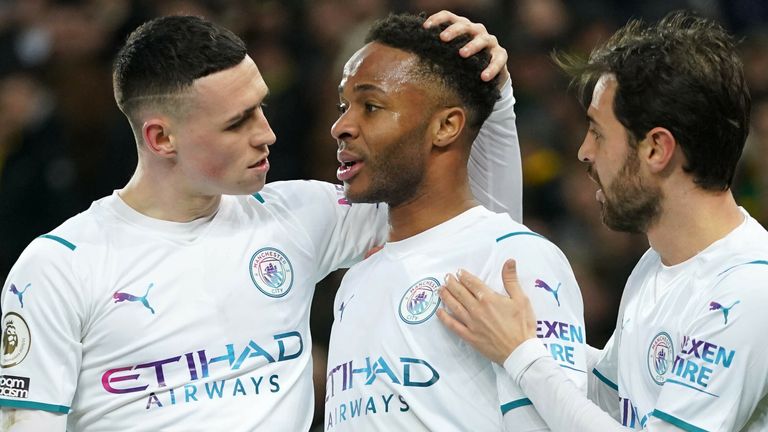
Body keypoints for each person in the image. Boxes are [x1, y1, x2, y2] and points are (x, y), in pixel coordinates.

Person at [0, 11, 521, 432]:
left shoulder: (298, 216)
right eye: (237, 122)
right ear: (162, 139)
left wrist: (493, 102)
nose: (266, 134)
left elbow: (482, 237)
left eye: (261, 108)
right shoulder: (59, 269)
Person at [438, 11, 768, 432]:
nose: (583, 152)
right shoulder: (657, 267)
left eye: (597, 132)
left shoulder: (748, 291)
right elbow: (605, 401)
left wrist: (522, 354)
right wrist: (527, 328)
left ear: (656, 149)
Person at [323, 12, 585, 431]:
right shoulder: (355, 280)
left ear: (446, 126)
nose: (342, 126)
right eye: (344, 106)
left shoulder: (515, 258)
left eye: (371, 106)